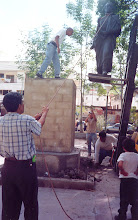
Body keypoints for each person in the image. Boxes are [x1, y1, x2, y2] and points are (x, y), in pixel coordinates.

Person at [0, 92, 49, 220]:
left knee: (9, 205)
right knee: (30, 203)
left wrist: (34, 118)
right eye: (22, 103)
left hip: (7, 168)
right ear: (19, 106)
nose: (23, 105)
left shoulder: (1, 121)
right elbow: (38, 127)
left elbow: (18, 125)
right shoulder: (27, 120)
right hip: (26, 168)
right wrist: (44, 113)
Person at [91, 2, 121, 75]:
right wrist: (94, 42)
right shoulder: (101, 19)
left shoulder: (115, 17)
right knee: (99, 54)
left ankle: (105, 69)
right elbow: (97, 31)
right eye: (106, 7)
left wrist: (109, 31)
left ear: (112, 8)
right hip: (100, 38)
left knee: (106, 52)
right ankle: (99, 69)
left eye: (109, 6)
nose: (107, 8)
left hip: (109, 37)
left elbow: (118, 29)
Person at [115, 138, 138, 220]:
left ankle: (122, 216)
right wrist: (136, 171)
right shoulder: (137, 156)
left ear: (124, 147)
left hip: (125, 180)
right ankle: (135, 216)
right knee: (135, 199)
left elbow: (120, 165)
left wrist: (123, 171)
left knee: (123, 199)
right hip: (134, 180)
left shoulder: (123, 155)